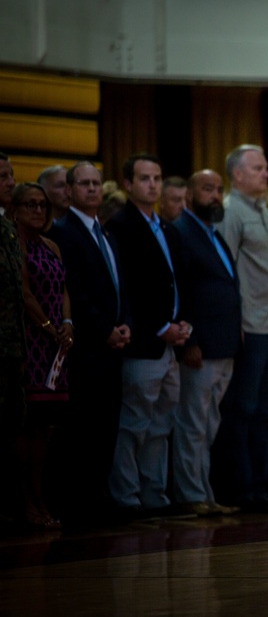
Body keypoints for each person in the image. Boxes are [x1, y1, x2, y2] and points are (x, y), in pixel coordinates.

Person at [104, 154, 190, 519]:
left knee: (161, 424)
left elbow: (174, 280)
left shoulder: (165, 226)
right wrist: (158, 326)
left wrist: (182, 322)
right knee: (134, 423)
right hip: (143, 341)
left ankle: (155, 495)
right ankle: (127, 496)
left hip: (170, 341)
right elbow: (130, 287)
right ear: (128, 184)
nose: (152, 185)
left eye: (156, 178)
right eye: (144, 178)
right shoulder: (120, 225)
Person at [52, 161, 131, 526]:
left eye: (96, 183)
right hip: (88, 348)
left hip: (113, 345)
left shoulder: (106, 232)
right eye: (83, 183)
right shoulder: (64, 232)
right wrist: (105, 330)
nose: (92, 189)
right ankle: (79, 502)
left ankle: (99, 496)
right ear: (69, 190)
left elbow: (119, 285)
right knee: (84, 427)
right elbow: (77, 292)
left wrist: (125, 322)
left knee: (107, 426)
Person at [216, 144, 268, 512]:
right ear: (237, 174)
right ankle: (240, 487)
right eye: (258, 168)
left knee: (265, 410)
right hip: (250, 326)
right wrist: (235, 323)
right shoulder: (231, 213)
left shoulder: (264, 212)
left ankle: (260, 485)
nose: (266, 174)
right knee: (242, 409)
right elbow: (225, 272)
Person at [171, 170, 242, 516]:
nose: (215, 195)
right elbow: (181, 290)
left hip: (224, 344)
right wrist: (190, 340)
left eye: (218, 189)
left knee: (209, 422)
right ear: (188, 193)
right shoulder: (181, 232)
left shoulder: (212, 234)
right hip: (201, 346)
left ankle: (204, 492)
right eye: (207, 189)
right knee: (193, 422)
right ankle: (190, 494)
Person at [11, 183, 73, 529]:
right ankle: (26, 503)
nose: (38, 211)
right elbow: (24, 293)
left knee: (47, 429)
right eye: (30, 205)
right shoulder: (12, 246)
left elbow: (63, 288)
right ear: (15, 209)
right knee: (27, 427)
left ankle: (40, 497)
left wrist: (67, 323)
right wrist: (49, 327)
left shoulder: (51, 246)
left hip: (56, 347)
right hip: (30, 343)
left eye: (43, 206)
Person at [0, 154, 28, 520]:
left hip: (12, 348)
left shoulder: (8, 226)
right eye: (1, 176)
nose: (10, 182)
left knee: (11, 431)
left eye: (10, 175)